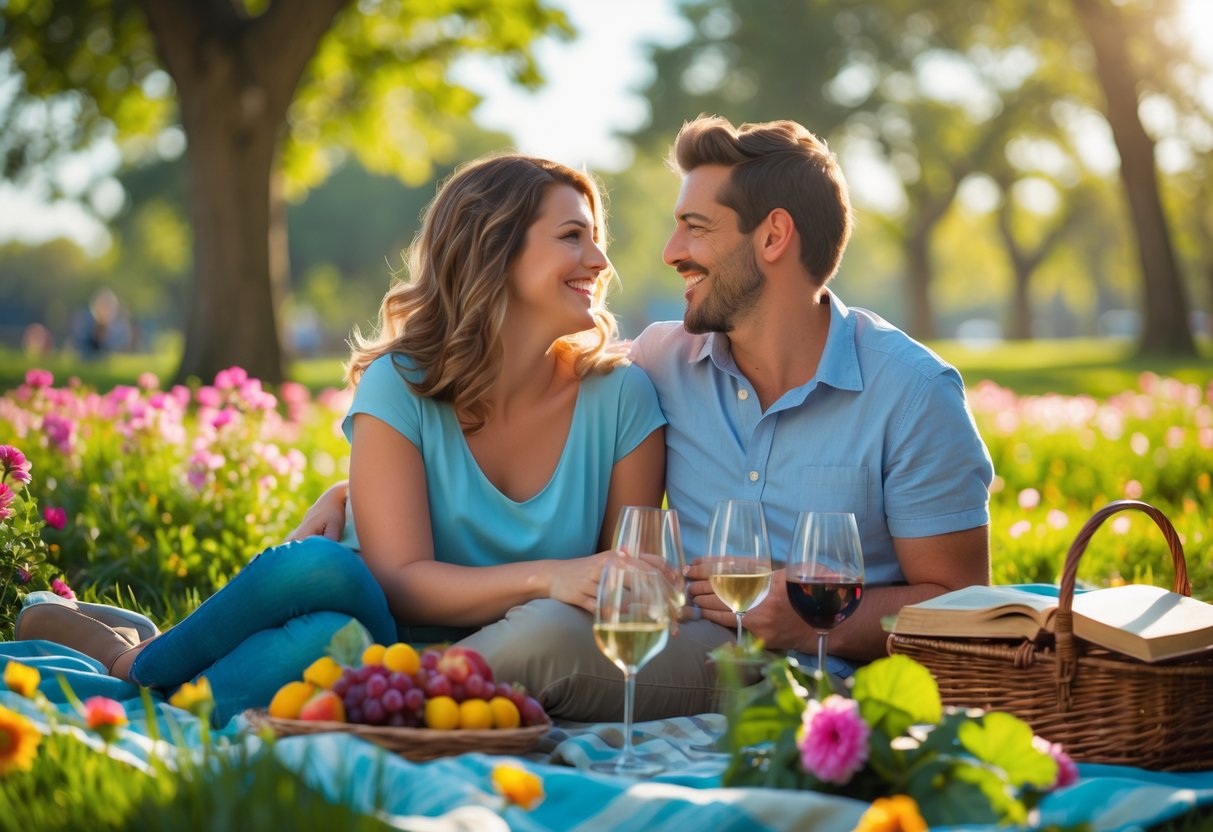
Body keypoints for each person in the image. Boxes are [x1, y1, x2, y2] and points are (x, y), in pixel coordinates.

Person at [297, 115, 993, 719]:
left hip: (831, 681)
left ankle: (362, 704)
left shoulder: (910, 393)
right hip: (690, 645)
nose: (668, 252)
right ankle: (362, 701)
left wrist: (822, 624)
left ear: (773, 237)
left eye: (694, 226)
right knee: (545, 628)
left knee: (544, 634)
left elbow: (960, 605)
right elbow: (522, 389)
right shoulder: (663, 361)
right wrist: (365, 491)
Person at [13, 153, 669, 726]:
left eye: (596, 237)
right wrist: (548, 577)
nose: (600, 259)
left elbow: (619, 584)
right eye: (572, 236)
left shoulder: (622, 399)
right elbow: (399, 581)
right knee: (320, 569)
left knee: (322, 642)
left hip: (476, 660)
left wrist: (565, 590)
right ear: (494, 248)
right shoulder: (402, 383)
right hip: (385, 630)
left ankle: (146, 669)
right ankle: (132, 661)